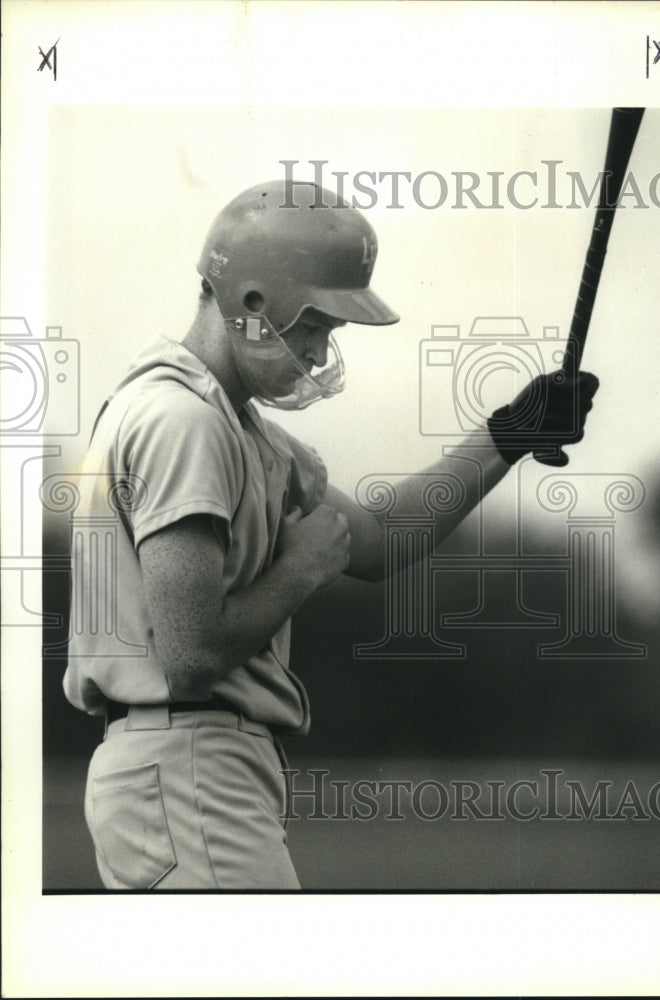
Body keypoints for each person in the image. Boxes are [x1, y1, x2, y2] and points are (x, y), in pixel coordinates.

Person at [64, 179, 599, 889]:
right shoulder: (182, 422)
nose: (318, 355)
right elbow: (191, 652)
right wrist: (301, 570)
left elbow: (378, 539)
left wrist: (509, 435)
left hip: (190, 768)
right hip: (188, 764)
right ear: (253, 304)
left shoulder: (227, 424)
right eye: (314, 327)